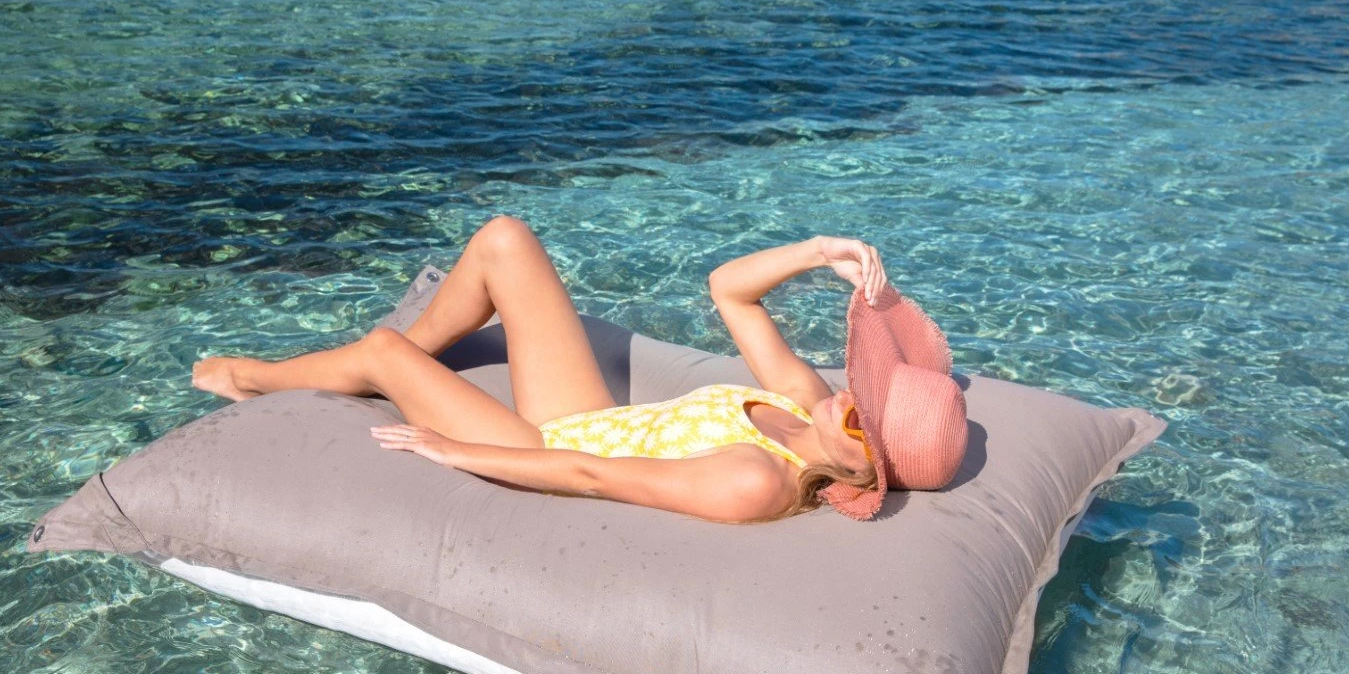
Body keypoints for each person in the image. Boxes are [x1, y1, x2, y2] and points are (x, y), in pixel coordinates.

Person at [192, 215, 967, 524]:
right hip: (588, 418)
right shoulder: (805, 401)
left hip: (548, 448)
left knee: (382, 355)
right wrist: (817, 252)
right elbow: (728, 290)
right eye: (866, 386)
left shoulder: (757, 480)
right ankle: (417, 352)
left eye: (862, 413)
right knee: (504, 239)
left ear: (863, 471)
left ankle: (252, 379)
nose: (849, 395)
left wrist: (454, 449)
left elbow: (592, 476)